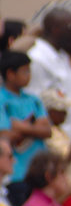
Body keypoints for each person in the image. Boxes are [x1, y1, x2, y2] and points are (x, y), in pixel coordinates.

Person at [25, 8, 71, 138]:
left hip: (70, 134)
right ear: (54, 29)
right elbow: (33, 100)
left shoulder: (62, 56)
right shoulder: (37, 58)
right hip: (52, 138)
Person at [0, 50, 51, 186]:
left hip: (40, 172)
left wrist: (19, 126)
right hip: (17, 173)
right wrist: (34, 127)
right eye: (25, 71)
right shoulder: (2, 99)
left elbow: (47, 131)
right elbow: (6, 136)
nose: (29, 76)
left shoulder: (33, 99)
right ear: (10, 74)